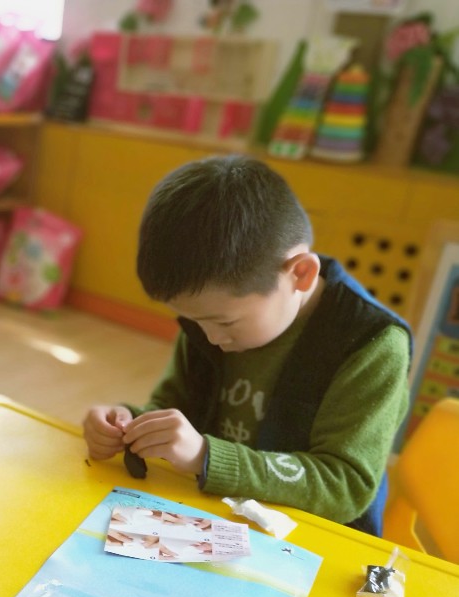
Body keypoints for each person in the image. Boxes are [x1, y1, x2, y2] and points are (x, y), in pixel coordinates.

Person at [83, 155, 411, 536]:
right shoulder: (212, 312)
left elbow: (345, 485)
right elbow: (175, 404)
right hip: (217, 518)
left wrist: (206, 457)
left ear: (301, 274)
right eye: (194, 320)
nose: (209, 337)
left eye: (224, 323)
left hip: (312, 540)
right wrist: (130, 422)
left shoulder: (373, 344)